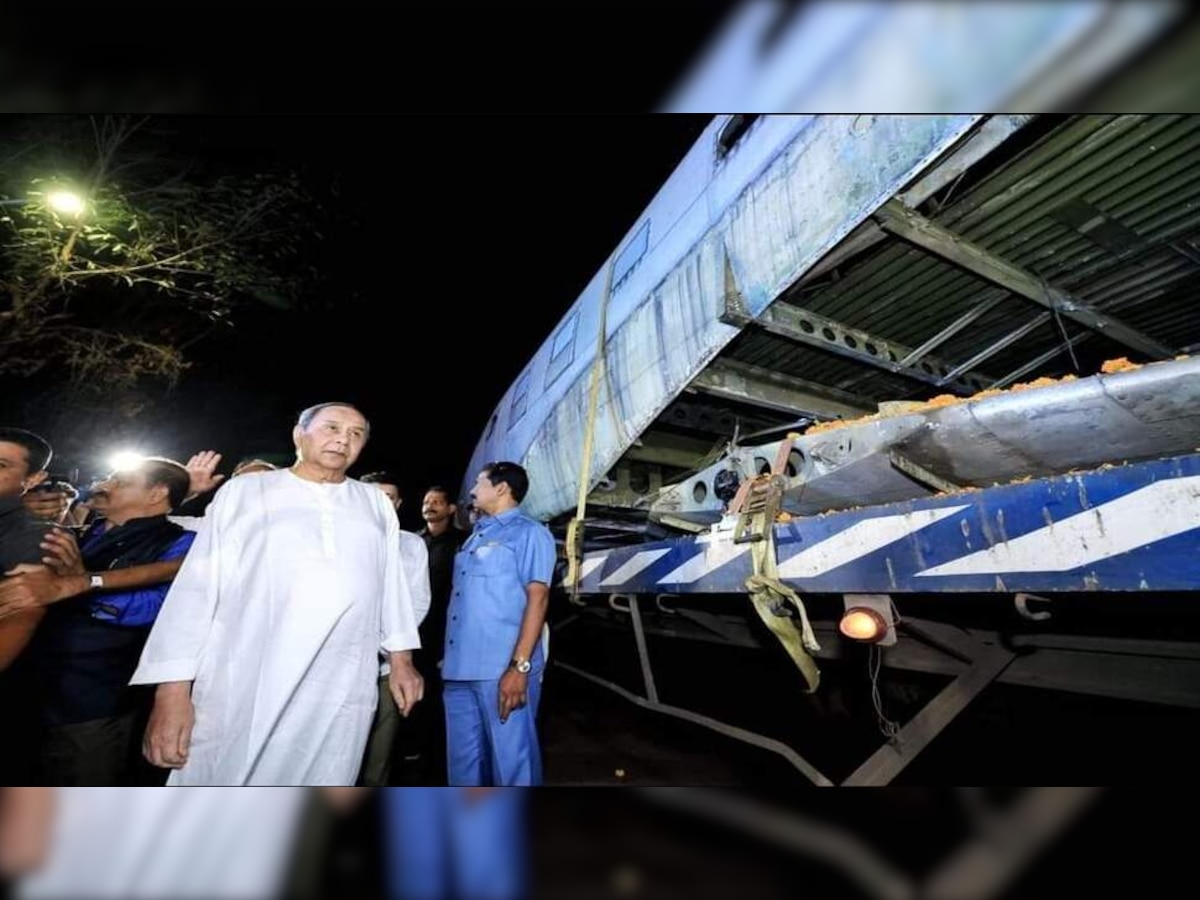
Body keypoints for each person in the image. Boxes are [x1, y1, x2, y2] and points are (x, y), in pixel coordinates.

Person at [130, 402, 424, 785]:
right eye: (331, 427)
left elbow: (391, 588)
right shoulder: (246, 492)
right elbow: (197, 592)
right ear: (298, 434)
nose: (342, 439)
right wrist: (172, 692)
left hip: (340, 683)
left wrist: (401, 660)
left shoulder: (375, 505)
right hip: (245, 677)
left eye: (356, 434)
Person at [29, 457, 195, 785]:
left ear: (156, 494)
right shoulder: (89, 530)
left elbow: (155, 608)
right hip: (36, 685)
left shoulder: (179, 542)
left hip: (93, 701)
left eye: (120, 481)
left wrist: (81, 585)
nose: (106, 485)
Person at [443, 462, 555, 786]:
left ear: (501, 488)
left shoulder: (530, 533)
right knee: (463, 768)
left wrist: (518, 669)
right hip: (458, 671)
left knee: (512, 766)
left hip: (501, 671)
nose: (473, 490)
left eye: (479, 483)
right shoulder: (475, 536)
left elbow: (538, 599)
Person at [358, 472, 431, 787]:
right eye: (376, 495)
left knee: (380, 752)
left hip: (388, 666)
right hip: (339, 667)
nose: (383, 502)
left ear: (398, 503)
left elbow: (417, 602)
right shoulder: (337, 539)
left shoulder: (412, 545)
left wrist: (385, 646)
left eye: (390, 497)